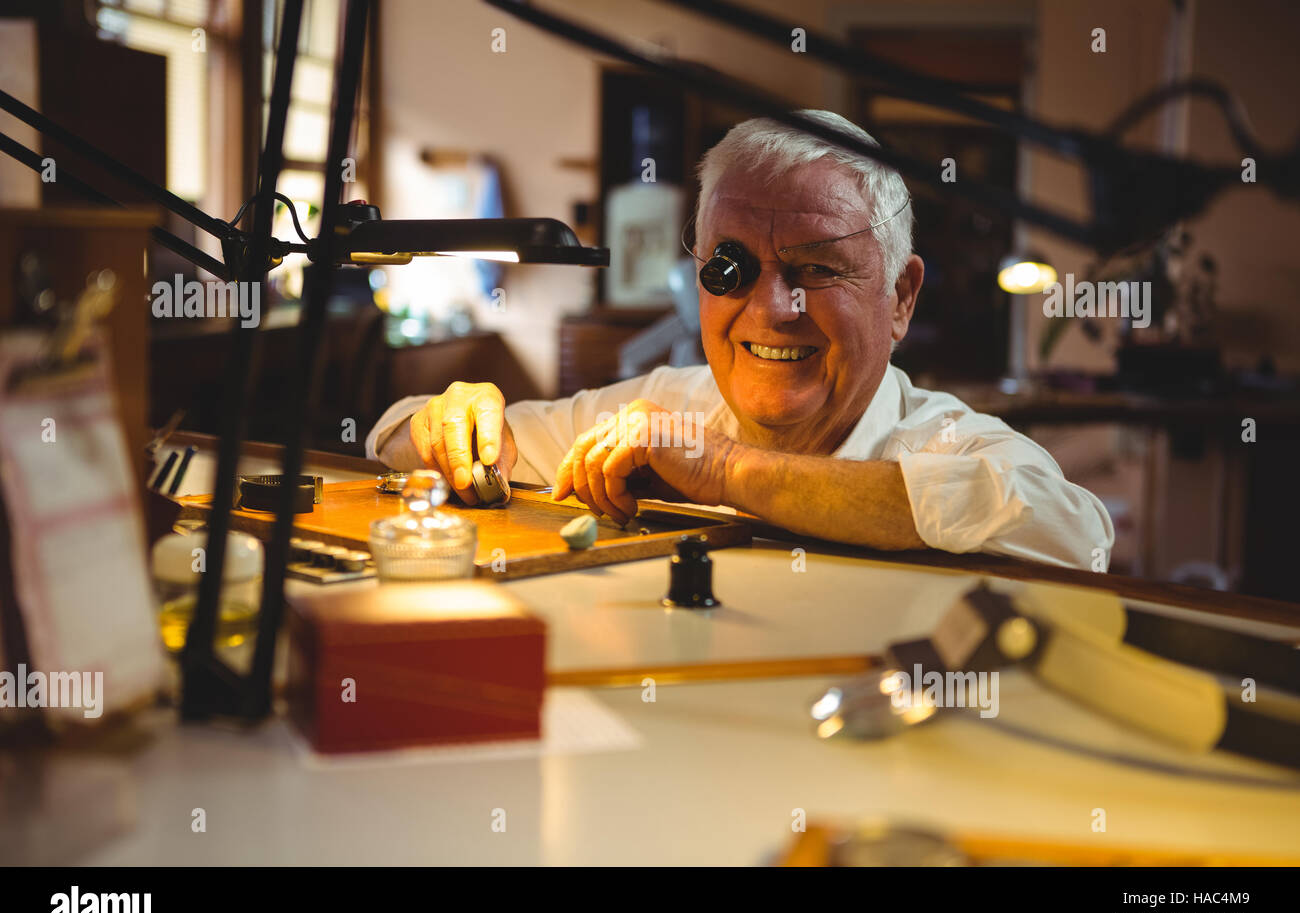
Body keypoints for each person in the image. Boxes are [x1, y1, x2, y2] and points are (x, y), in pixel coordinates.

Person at [367, 110, 1114, 570]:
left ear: (901, 297)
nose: (772, 309)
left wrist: (727, 471)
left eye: (816, 269)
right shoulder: (657, 410)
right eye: (730, 268)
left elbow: (1075, 534)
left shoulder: (949, 441)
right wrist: (449, 422)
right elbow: (397, 438)